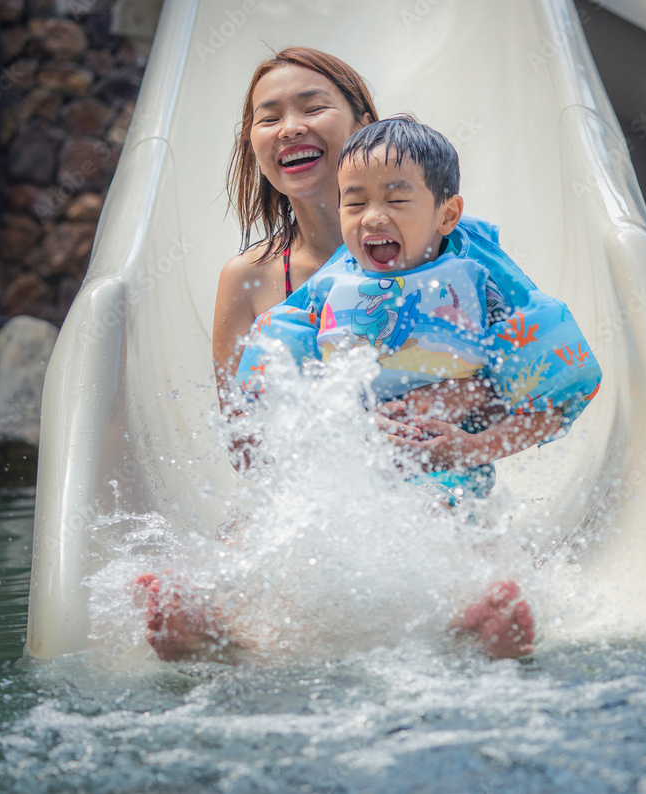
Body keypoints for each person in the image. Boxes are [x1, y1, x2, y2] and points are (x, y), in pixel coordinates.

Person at [140, 51, 597, 662]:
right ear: (253, 144)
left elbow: (541, 360)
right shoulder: (250, 280)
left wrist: (465, 401)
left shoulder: (460, 258)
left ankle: (470, 621)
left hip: (441, 471)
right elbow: (250, 445)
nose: (290, 127)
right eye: (267, 116)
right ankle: (227, 635)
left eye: (312, 106)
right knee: (261, 531)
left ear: (363, 126)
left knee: (453, 521)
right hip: (321, 484)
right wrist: (342, 425)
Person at [235, 116, 602, 504]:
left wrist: (471, 448)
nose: (373, 217)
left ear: (447, 215)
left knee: (442, 518)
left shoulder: (479, 278)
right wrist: (346, 424)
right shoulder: (327, 289)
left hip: (446, 482)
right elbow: (269, 402)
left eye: (395, 200)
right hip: (346, 482)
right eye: (355, 203)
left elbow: (559, 392)